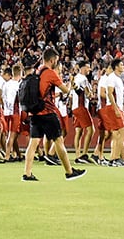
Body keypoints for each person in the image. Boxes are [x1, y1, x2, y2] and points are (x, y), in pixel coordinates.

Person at [22, 48, 86, 182]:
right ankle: (69, 172)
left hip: (34, 112)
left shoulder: (37, 71)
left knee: (33, 143)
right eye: (56, 60)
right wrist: (70, 83)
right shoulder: (50, 73)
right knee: (59, 140)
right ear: (52, 60)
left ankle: (27, 174)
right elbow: (66, 90)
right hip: (47, 112)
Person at [71, 62, 95, 164]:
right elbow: (86, 93)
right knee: (91, 130)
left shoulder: (77, 78)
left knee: (79, 131)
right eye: (88, 67)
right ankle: (84, 154)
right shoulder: (83, 79)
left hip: (75, 107)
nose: (90, 69)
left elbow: (73, 93)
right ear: (83, 68)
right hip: (81, 107)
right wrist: (90, 94)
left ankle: (77, 155)